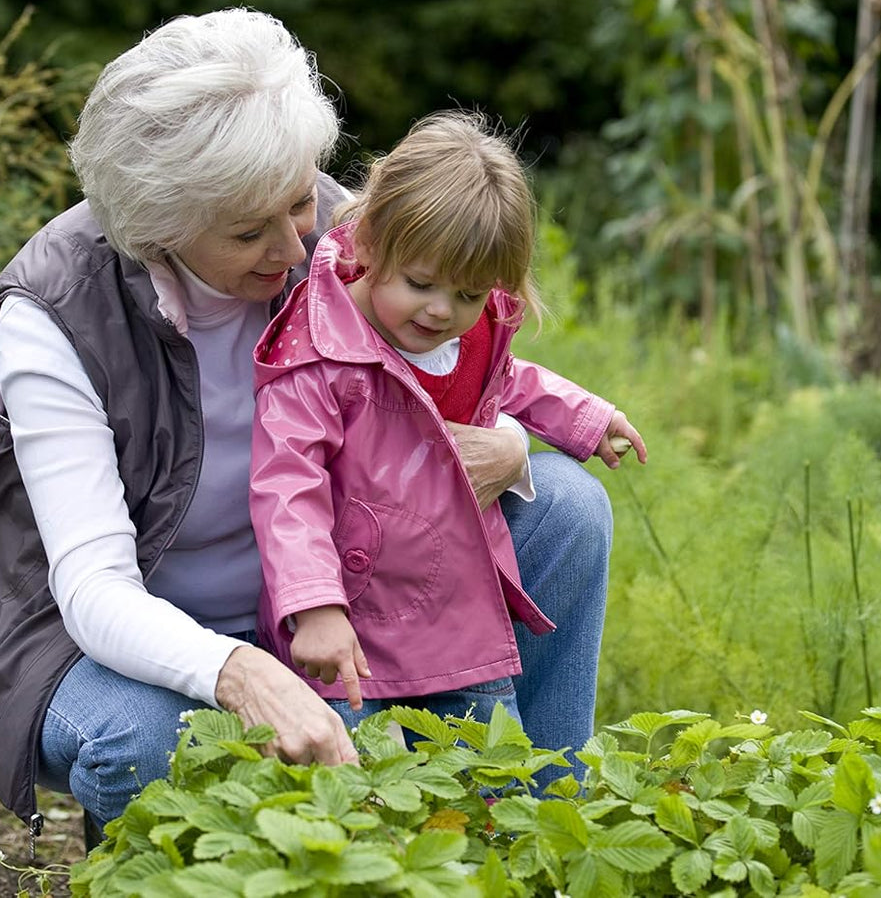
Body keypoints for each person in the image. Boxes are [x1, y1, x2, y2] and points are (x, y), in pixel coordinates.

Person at [0, 8, 626, 844]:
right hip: (113, 636)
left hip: (335, 590)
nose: (295, 243)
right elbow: (93, 591)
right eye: (246, 231)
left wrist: (513, 444)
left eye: (300, 200)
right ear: (157, 228)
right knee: (151, 739)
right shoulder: (55, 315)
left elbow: (462, 360)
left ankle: (542, 826)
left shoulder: (342, 234)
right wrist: (239, 670)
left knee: (563, 506)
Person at [251, 112, 646, 732]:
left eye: (468, 295)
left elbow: (510, 378)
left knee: (489, 779)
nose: (442, 311)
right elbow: (286, 486)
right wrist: (314, 607)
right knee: (352, 798)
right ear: (373, 241)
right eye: (421, 284)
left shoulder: (469, 333)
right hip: (350, 629)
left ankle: (540, 816)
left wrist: (588, 419)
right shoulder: (319, 351)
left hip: (458, 615)